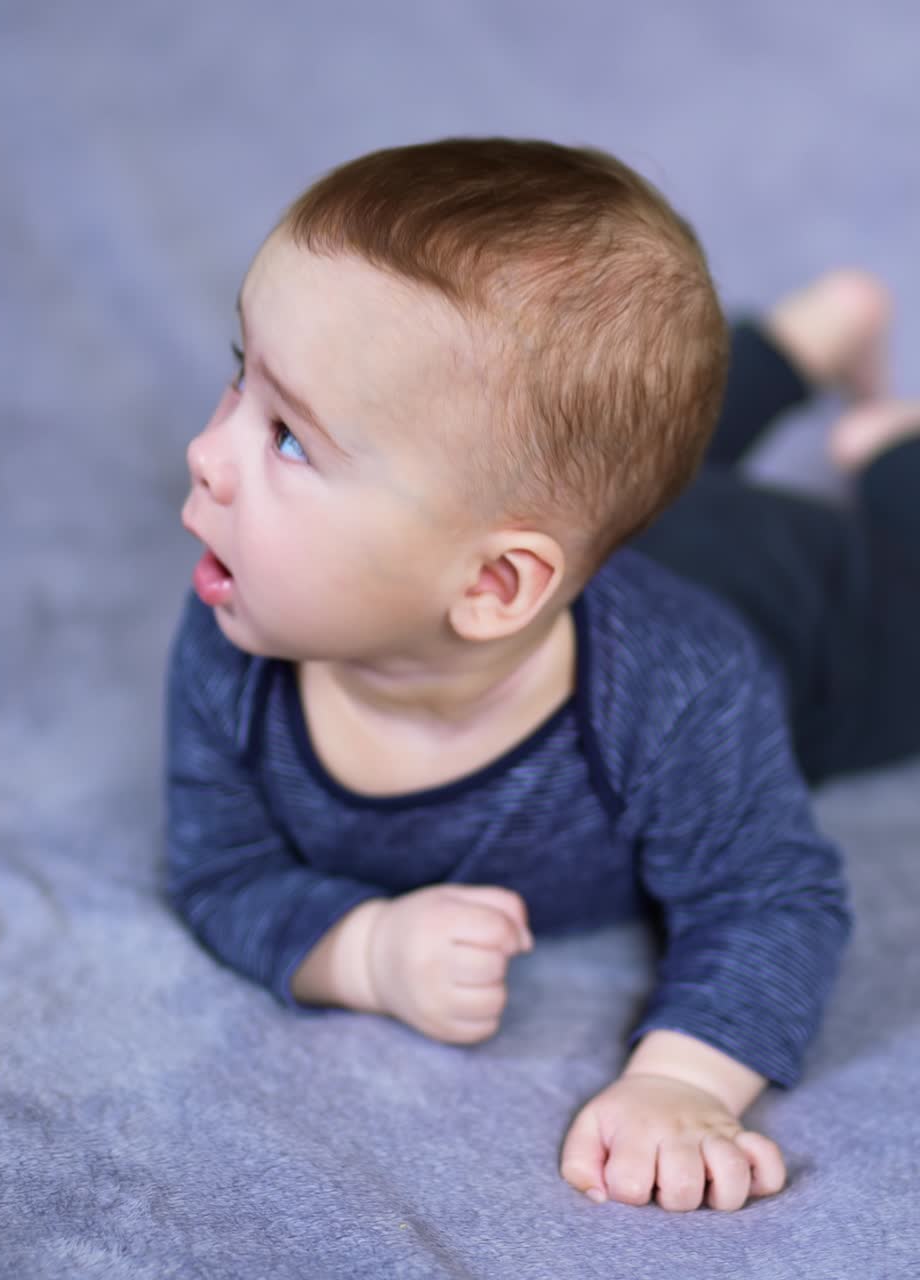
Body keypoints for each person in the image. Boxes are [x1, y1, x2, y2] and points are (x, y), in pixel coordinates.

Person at [163, 138, 920, 1214]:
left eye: (287, 437)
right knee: (596, 450)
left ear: (492, 583)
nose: (205, 454)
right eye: (242, 376)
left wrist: (682, 1082)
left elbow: (769, 898)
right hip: (601, 532)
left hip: (799, 603)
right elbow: (221, 872)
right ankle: (801, 338)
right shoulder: (237, 627)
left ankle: (892, 452)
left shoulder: (678, 693)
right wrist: (363, 951)